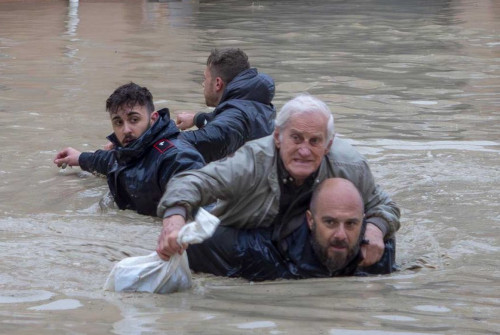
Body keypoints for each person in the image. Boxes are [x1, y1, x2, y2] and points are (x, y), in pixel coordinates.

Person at [156, 94, 401, 269]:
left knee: (383, 248)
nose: (304, 150)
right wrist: (174, 220)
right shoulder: (251, 162)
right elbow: (191, 182)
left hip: (304, 236)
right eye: (296, 138)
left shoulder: (350, 166)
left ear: (328, 145)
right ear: (277, 137)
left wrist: (375, 228)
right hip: (250, 233)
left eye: (314, 141)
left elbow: (384, 206)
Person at [186, 178, 385, 281]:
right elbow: (195, 240)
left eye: (351, 224)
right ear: (311, 220)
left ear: (363, 222)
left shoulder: (377, 254)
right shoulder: (260, 251)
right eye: (330, 223)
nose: (341, 235)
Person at [53, 82, 205, 217]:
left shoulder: (175, 157)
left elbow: (197, 196)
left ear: (153, 119)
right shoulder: (128, 151)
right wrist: (80, 158)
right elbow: (108, 161)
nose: (126, 130)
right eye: (118, 122)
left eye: (134, 120)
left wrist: (176, 218)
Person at [175, 48, 276, 163]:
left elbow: (212, 137)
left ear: (218, 83)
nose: (203, 84)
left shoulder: (236, 116)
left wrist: (160, 137)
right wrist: (197, 118)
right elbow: (227, 121)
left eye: (205, 79)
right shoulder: (254, 102)